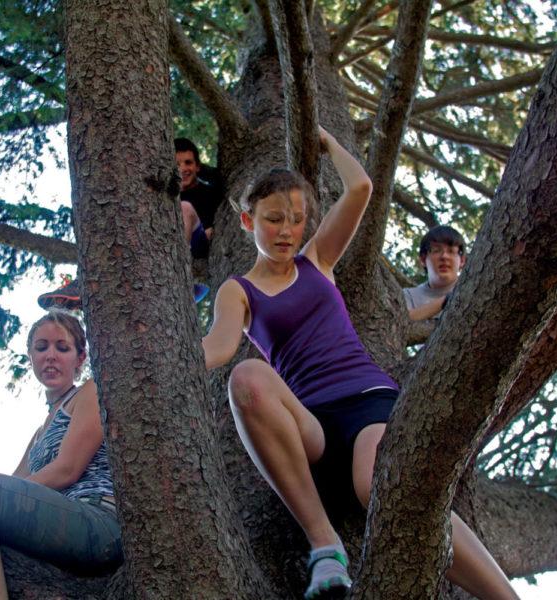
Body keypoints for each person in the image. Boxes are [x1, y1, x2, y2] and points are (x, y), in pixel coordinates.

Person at [201, 128, 518, 600]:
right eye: (273, 220)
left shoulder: (317, 261)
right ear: (248, 222)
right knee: (247, 377)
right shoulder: (237, 289)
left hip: (369, 404)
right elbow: (221, 345)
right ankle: (325, 547)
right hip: (311, 425)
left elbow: (361, 188)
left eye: (296, 219)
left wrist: (324, 140)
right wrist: (155, 367)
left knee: (378, 484)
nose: (287, 231)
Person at [0, 310, 121, 599]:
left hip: (98, 519)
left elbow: (67, 469)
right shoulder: (39, 434)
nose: (50, 355)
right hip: (62, 521)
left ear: (80, 359)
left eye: (62, 348)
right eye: (41, 347)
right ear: (31, 356)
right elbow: (14, 483)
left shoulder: (90, 392)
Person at [403, 225, 466, 321]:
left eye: (451, 251)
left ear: (462, 261)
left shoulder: (473, 290)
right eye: (436, 250)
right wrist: (447, 300)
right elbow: (400, 322)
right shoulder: (408, 296)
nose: (444, 256)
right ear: (423, 260)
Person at [176, 137, 224, 260]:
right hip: (169, 245)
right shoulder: (166, 196)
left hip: (199, 244)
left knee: (185, 207)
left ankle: (180, 263)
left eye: (188, 162)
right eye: (177, 164)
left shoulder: (211, 192)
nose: (182, 169)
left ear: (197, 166)